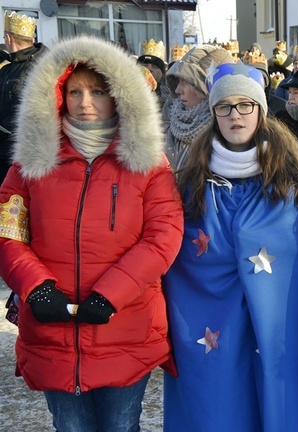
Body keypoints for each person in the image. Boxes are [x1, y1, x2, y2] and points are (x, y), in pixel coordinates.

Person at [0, 35, 184, 431]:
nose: (85, 103)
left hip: (125, 325)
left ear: (118, 96)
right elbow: (8, 233)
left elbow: (163, 236)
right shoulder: (30, 163)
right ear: (57, 94)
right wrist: (35, 286)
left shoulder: (148, 163)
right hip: (53, 328)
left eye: (97, 91)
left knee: (121, 425)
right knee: (69, 426)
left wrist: (111, 293)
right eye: (74, 91)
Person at [162, 61, 298, 431]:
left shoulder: (292, 181)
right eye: (225, 106)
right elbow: (180, 256)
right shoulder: (192, 182)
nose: (235, 115)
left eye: (245, 105)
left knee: (271, 393)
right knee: (219, 403)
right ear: (213, 112)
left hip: (276, 323)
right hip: (209, 323)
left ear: (261, 110)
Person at [163, 44, 234, 171]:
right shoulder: (167, 122)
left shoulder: (233, 136)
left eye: (185, 82)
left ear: (205, 88)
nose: (178, 90)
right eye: (177, 81)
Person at [0, 11, 47, 182]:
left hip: (28, 154)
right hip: (5, 153)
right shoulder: (6, 69)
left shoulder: (42, 67)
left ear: (8, 38)